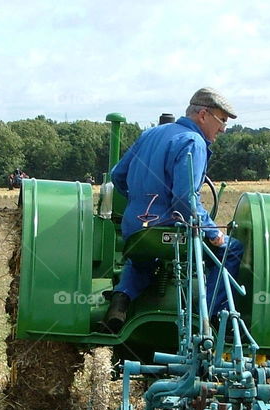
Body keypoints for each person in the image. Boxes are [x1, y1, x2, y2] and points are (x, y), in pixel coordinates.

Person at [101, 87, 243, 334]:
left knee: (142, 259)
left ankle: (120, 302)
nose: (223, 129)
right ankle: (207, 320)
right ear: (203, 115)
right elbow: (184, 200)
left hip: (136, 227)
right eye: (222, 121)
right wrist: (211, 231)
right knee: (231, 249)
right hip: (168, 227)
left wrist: (139, 202)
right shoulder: (193, 141)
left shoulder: (151, 134)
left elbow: (118, 176)